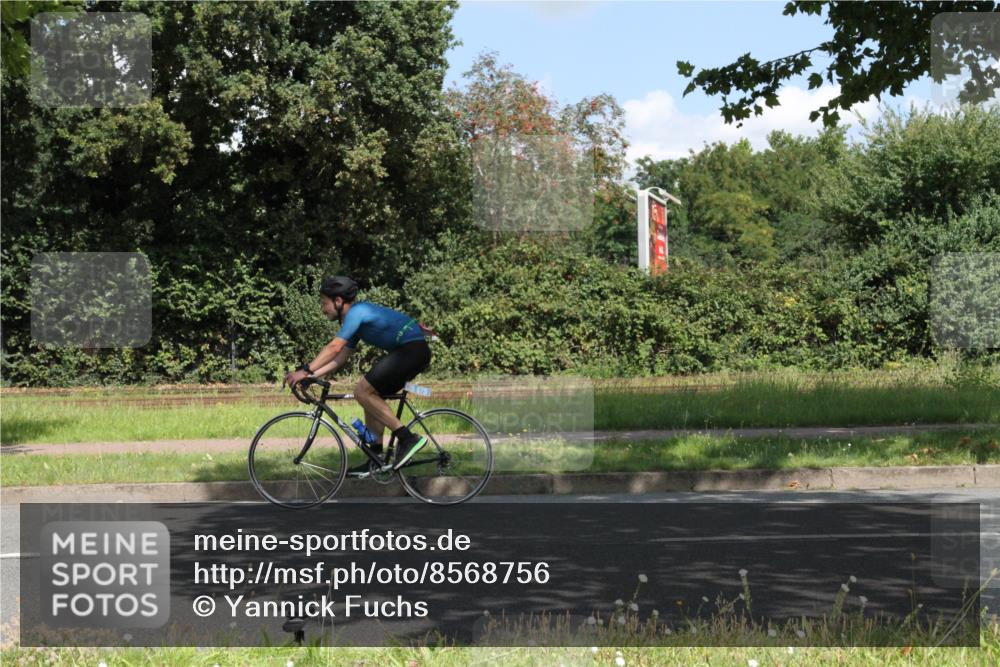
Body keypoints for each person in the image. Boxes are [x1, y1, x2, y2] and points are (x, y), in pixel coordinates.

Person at [283, 276, 431, 473]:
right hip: (409, 351)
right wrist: (312, 376)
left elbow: (334, 347)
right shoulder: (354, 321)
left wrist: (305, 371)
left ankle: (408, 439)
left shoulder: (357, 312)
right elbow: (340, 357)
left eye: (324, 303)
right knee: (370, 395)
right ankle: (375, 458)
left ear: (338, 301)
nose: (322, 308)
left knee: (363, 391)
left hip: (411, 351)